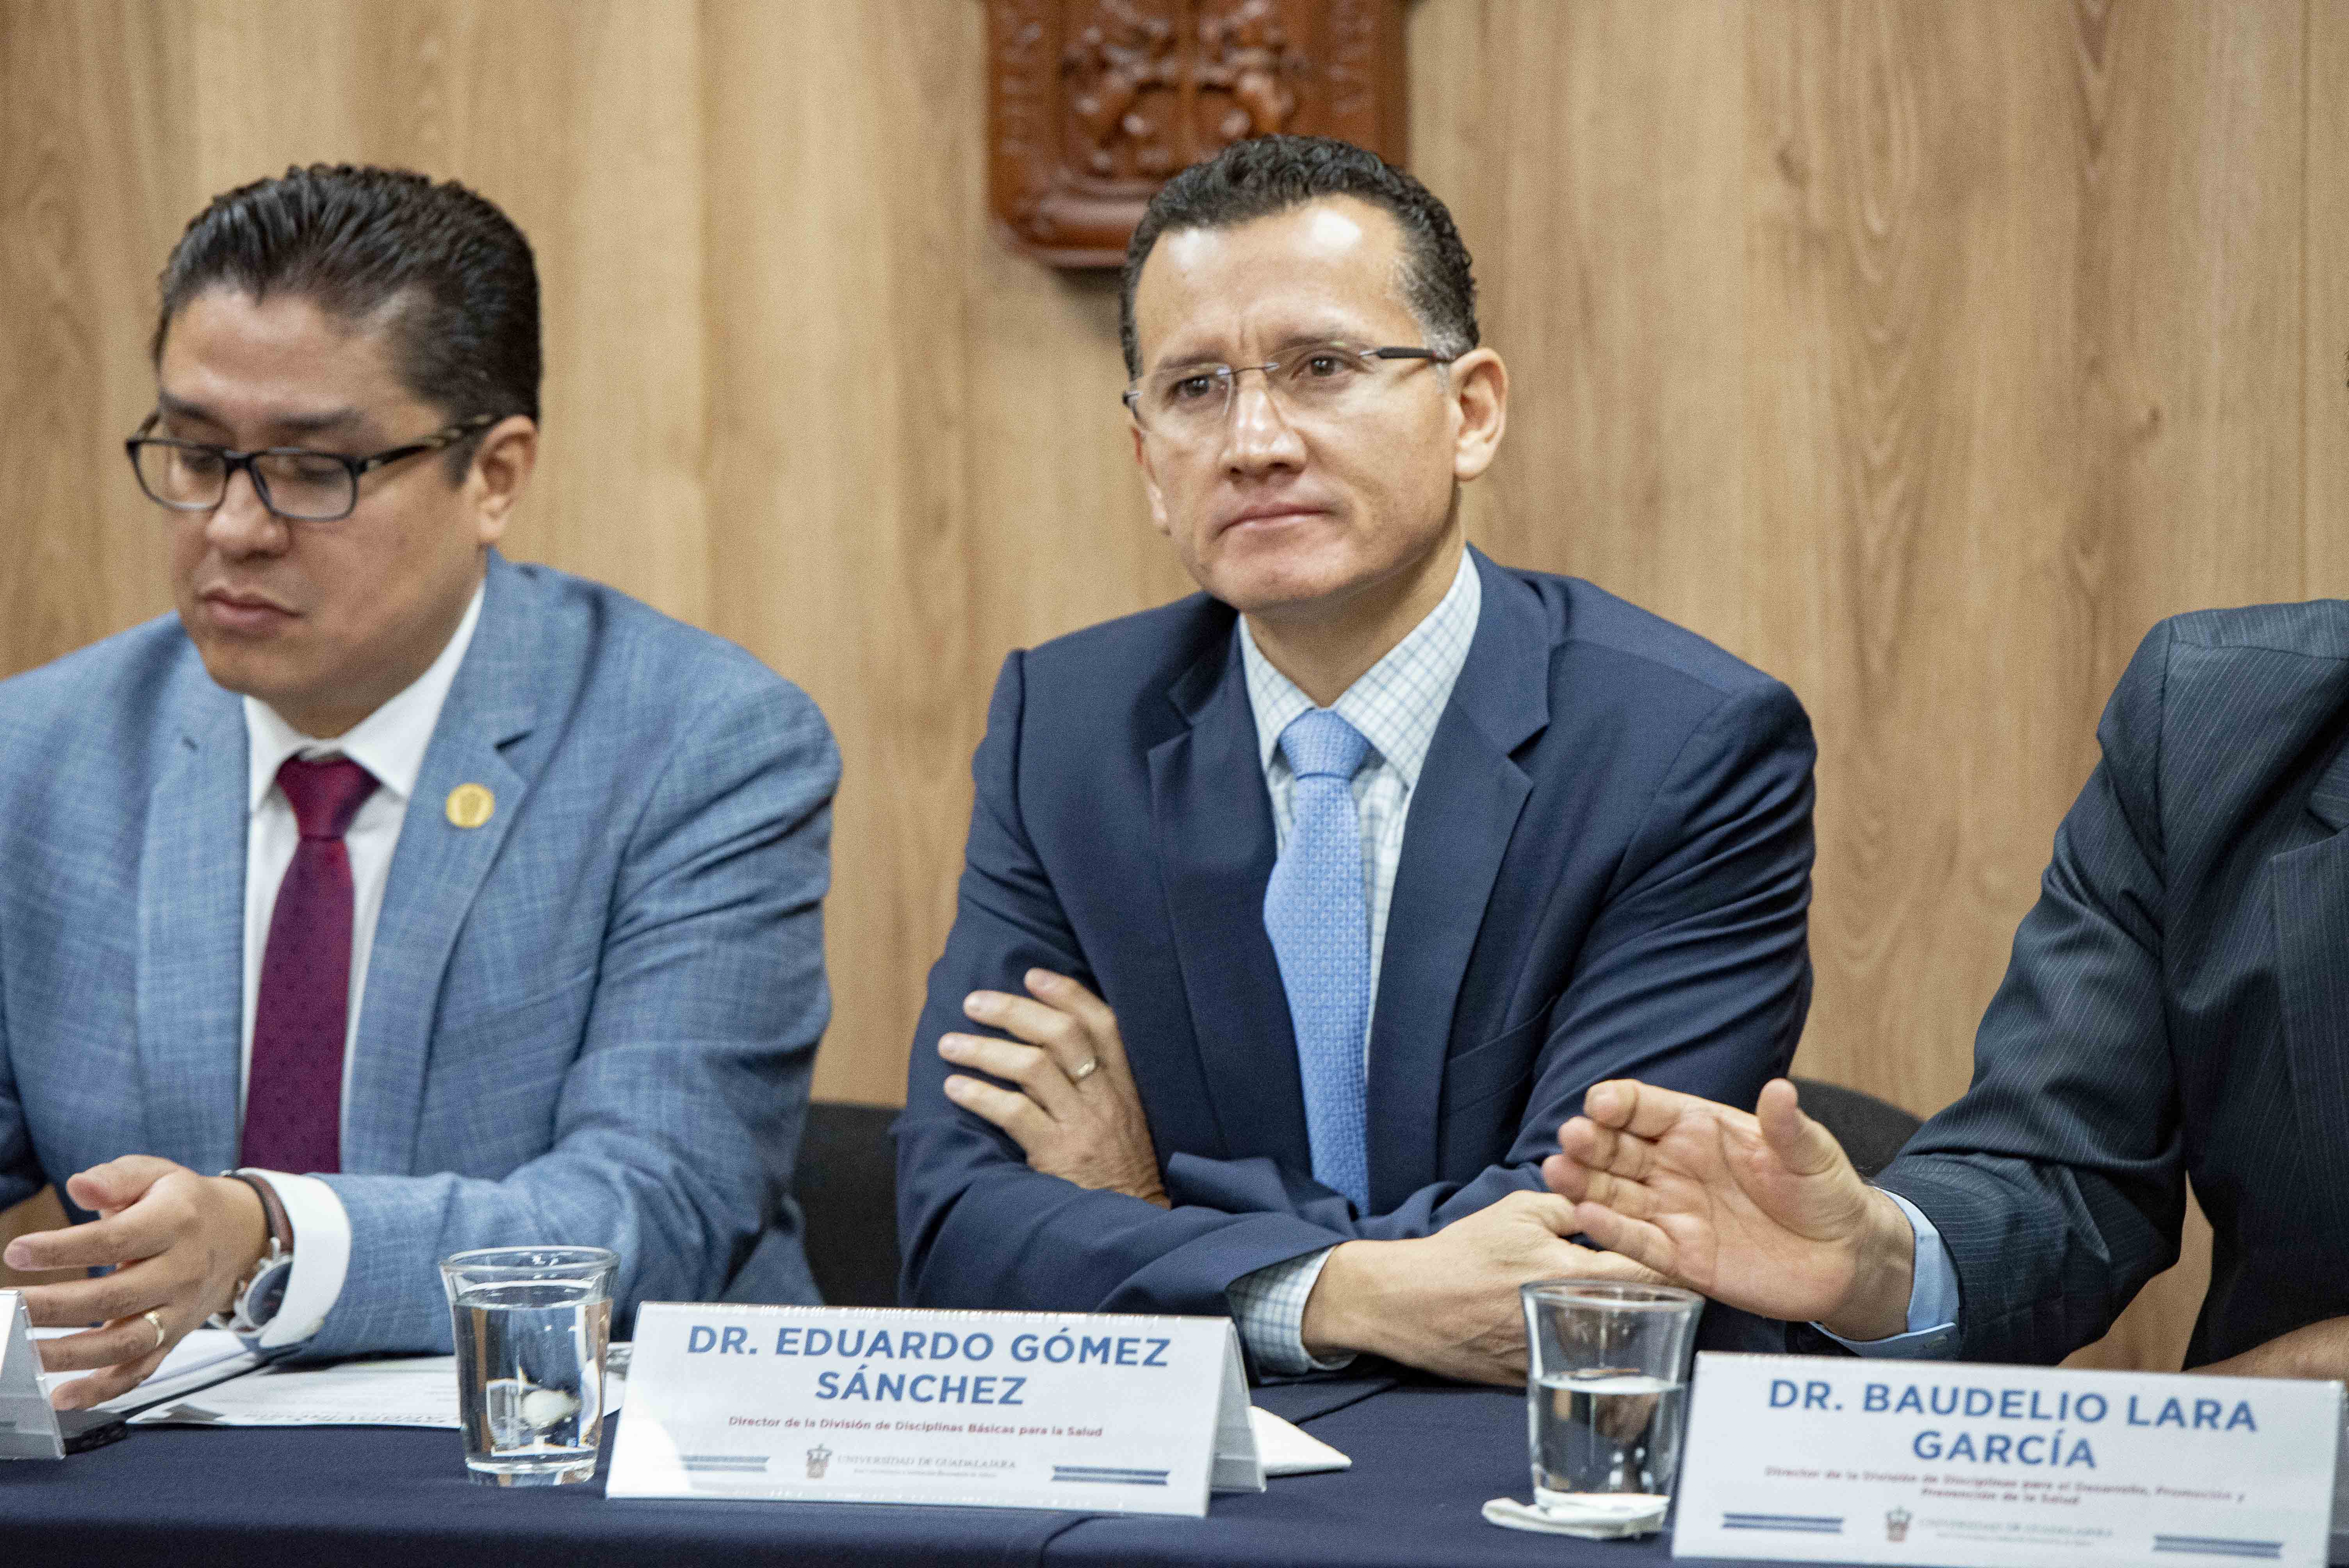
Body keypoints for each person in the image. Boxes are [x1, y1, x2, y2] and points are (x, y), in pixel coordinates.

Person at [894, 136, 1817, 1385]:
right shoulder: (1066, 732)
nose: (1254, 441)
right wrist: (1343, 1291)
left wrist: (1149, 1217)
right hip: (1174, 1492)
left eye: (1321, 369)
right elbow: (957, 1232)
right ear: (1147, 464)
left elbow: (1577, 1263)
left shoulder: (1683, 747)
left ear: (1471, 411)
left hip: (1529, 1473)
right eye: (1196, 389)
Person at [0, 165, 838, 1409]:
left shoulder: (700, 745)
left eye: (312, 469)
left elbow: (655, 1209)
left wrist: (276, 1236)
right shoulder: (40, 753)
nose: (234, 525)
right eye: (195, 452)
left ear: (493, 475)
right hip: (154, 1469)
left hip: (569, 1465)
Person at [1546, 605, 2349, 1376]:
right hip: (2268, 1490)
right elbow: (2062, 1165)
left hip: (2263, 1450)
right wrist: (1874, 1257)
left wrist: (2284, 1387)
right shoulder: (2217, 719)